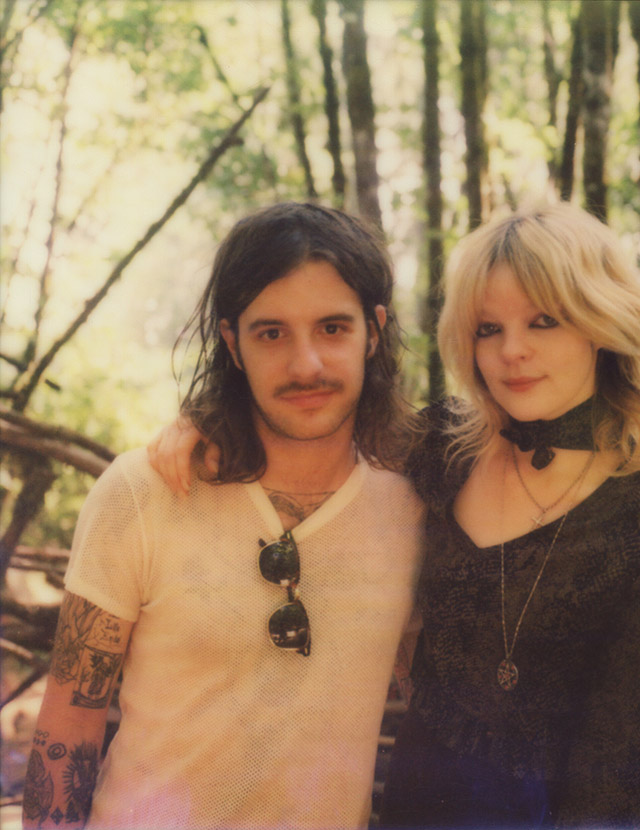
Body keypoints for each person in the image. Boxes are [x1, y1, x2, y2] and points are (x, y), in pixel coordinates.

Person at [147, 202, 640, 828]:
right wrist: (204, 417)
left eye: (544, 321)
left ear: (602, 323)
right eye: (488, 328)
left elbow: (620, 775)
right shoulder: (443, 445)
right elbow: (310, 432)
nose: (512, 352)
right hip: (409, 806)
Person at [22, 203, 424, 830]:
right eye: (272, 333)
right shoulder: (143, 493)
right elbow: (69, 723)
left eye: (332, 329)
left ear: (373, 331)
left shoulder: (414, 514)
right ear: (233, 342)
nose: (305, 365)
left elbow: (438, 704)